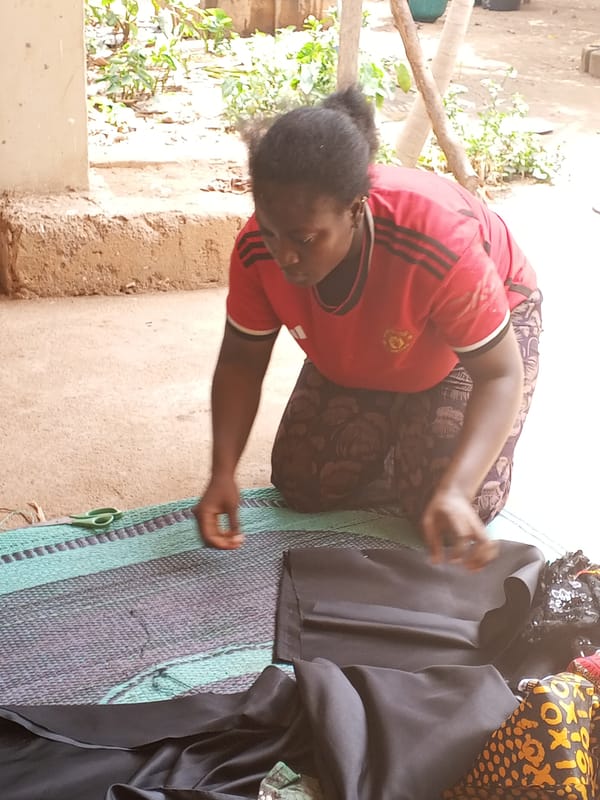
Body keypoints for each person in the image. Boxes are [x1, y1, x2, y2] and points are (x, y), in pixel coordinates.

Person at [194, 86, 542, 570]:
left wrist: (456, 491)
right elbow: (240, 360)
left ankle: (418, 424)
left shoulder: (438, 246)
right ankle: (406, 415)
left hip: (475, 341)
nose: (284, 255)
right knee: (303, 484)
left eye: (305, 239)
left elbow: (500, 375)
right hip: (374, 352)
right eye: (271, 230)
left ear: (356, 209)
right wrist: (222, 472)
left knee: (445, 505)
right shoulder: (259, 248)